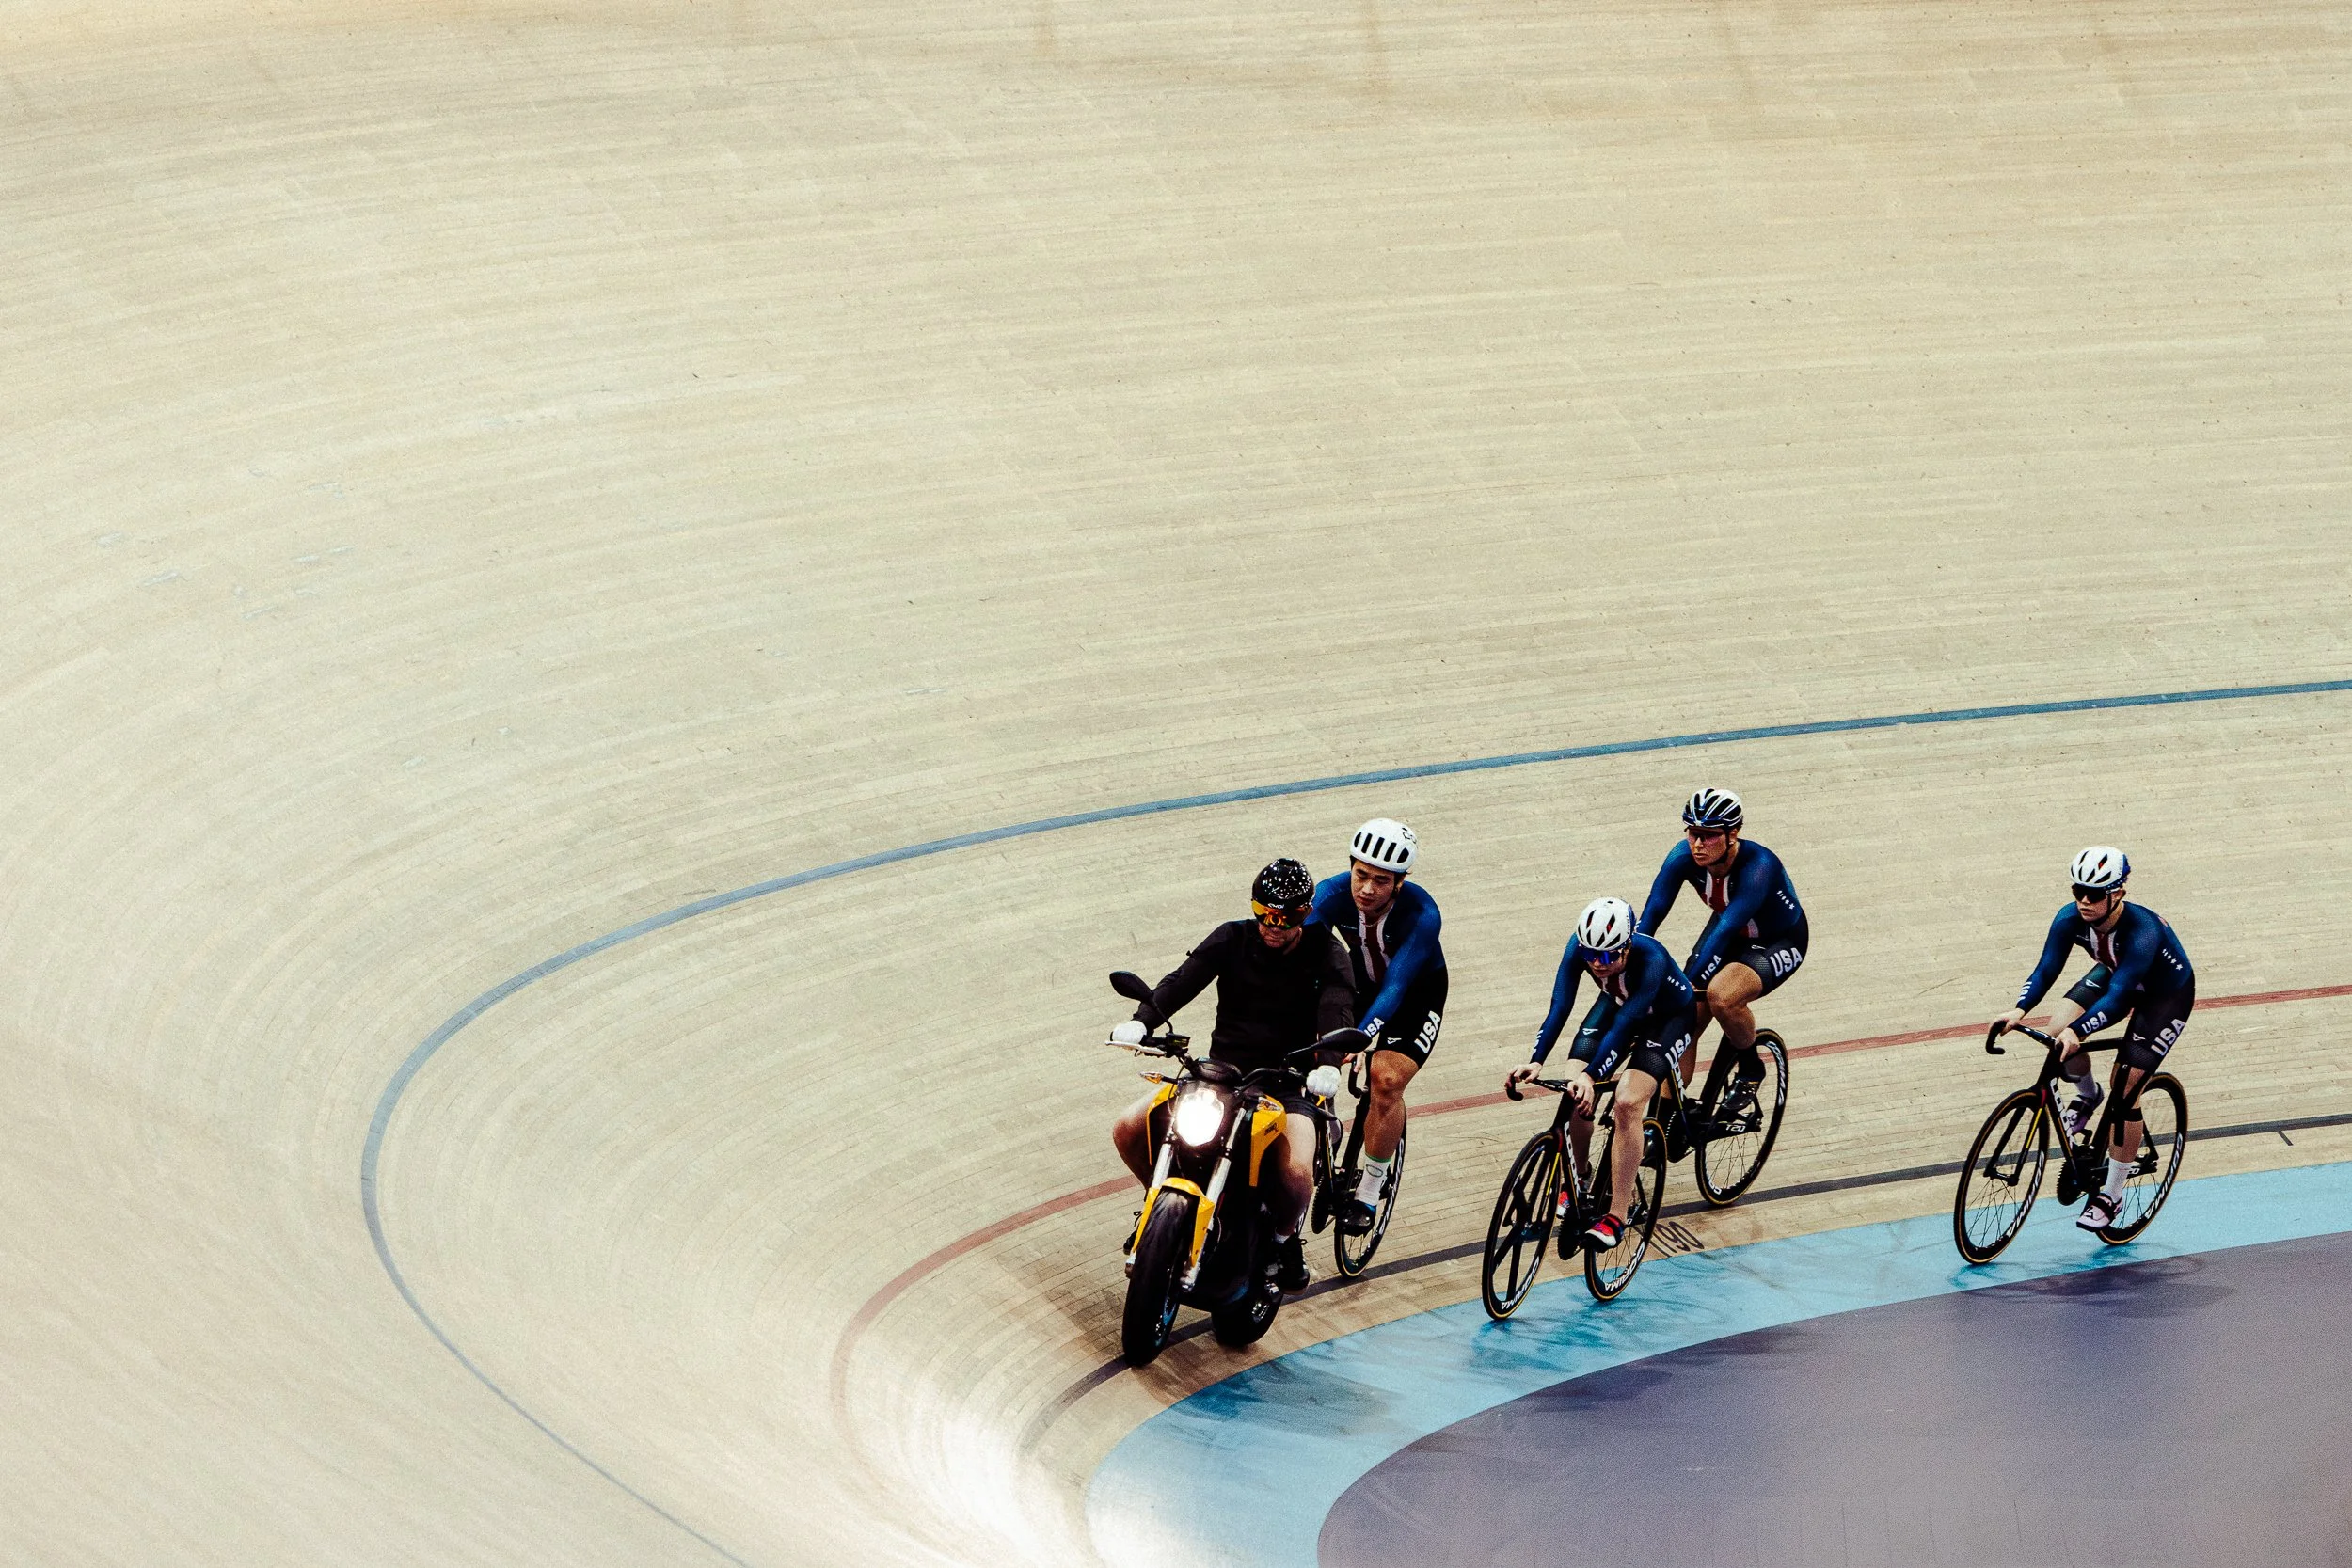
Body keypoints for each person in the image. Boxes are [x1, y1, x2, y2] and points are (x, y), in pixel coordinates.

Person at [1109, 858, 1357, 1291]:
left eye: (1287, 917)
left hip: (1290, 1083)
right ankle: (1159, 1214)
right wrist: (1144, 1021)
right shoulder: (1232, 937)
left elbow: (1337, 1007)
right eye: (1265, 913)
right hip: (1220, 1076)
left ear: (1307, 913)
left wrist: (1329, 1064)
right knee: (1128, 1127)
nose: (1273, 925)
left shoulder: (1327, 952)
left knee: (1297, 1171)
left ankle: (1283, 1241)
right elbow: (1184, 980)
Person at [1992, 846, 2194, 1231]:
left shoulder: (2143, 931)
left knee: (2126, 1091)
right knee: (2055, 1033)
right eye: (2078, 890)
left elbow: (2118, 998)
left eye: (2095, 894)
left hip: (2164, 996)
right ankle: (2086, 1095)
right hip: (2115, 973)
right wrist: (2018, 1010)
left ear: (2117, 893)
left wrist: (2080, 1030)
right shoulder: (2070, 918)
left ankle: (2111, 1194)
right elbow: (2047, 967)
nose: (2084, 900)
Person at [1504, 895, 1697, 1253]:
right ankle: (1579, 1176)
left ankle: (1616, 1216)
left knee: (1626, 1102)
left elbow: (1627, 1025)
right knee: (1572, 1087)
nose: (1597, 963)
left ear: (1627, 946)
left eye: (1609, 956)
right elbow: (1560, 1005)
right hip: (1619, 1003)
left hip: (1668, 1018)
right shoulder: (1583, 951)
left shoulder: (1651, 958)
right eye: (1591, 954)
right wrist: (1536, 1059)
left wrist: (1593, 1076)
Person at [1637, 787, 1805, 1122]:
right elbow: (1652, 914)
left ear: (1733, 834)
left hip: (1778, 940)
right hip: (1728, 933)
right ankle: (1668, 1119)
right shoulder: (1681, 858)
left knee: (1721, 996)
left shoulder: (1759, 866)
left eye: (1709, 836)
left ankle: (1750, 1067)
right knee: (1682, 1021)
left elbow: (1727, 928)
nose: (1698, 844)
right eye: (1692, 833)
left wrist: (1681, 986)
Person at [1311, 818, 1446, 1231]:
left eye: (1381, 881)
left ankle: (1370, 1189)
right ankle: (1325, 1123)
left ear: (1400, 883)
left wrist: (1364, 1036)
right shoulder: (1329, 895)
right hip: (1355, 984)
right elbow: (1307, 965)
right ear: (1350, 866)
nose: (1367, 889)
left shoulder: (1423, 914)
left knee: (1385, 1081)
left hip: (1413, 997)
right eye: (1361, 875)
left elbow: (1396, 986)